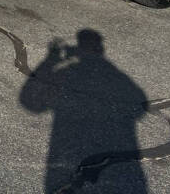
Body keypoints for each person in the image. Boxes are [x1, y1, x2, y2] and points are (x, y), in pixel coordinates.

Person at [19, 29, 148, 193]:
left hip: (67, 147)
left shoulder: (108, 74)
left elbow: (31, 103)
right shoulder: (116, 75)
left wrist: (50, 60)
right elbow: (138, 106)